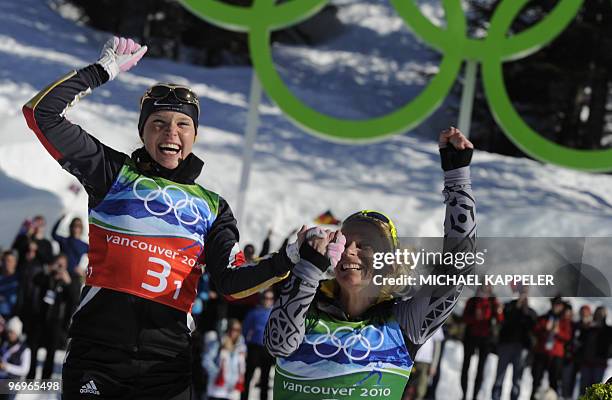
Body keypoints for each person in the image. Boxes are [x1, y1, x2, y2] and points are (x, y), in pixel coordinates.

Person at [22, 36, 317, 399]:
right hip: (97, 356)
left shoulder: (212, 206)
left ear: (194, 135)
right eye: (159, 122)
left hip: (167, 365)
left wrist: (285, 259)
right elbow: (41, 113)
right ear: (143, 130)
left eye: (182, 125)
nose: (170, 133)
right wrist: (102, 70)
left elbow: (231, 282)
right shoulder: (112, 173)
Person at [265, 127, 476, 399]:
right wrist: (307, 268)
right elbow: (278, 344)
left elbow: (459, 266)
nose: (350, 251)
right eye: (344, 242)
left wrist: (457, 178)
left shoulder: (404, 323)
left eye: (364, 245)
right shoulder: (306, 304)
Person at [26, 254, 80, 379]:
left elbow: (74, 298)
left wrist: (68, 282)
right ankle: (30, 376)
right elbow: (36, 280)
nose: (60, 267)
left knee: (51, 352)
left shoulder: (68, 280)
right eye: (58, 263)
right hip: (40, 318)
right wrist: (49, 269)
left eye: (62, 265)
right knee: (33, 348)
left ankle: (46, 379)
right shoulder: (47, 277)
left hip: (57, 321)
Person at [491, 289, 537, 400]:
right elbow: (504, 320)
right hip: (506, 345)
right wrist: (517, 306)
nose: (523, 296)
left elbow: (533, 328)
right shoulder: (509, 306)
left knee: (517, 379)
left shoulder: (530, 312)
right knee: (499, 376)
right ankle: (495, 397)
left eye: (525, 293)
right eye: (522, 293)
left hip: (521, 349)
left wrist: (526, 312)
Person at [461, 285, 504, 400]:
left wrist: (497, 307)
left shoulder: (492, 302)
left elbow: (500, 319)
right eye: (483, 287)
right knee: (466, 366)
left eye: (487, 288)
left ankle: (475, 395)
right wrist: (475, 317)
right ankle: (464, 395)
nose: (485, 290)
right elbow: (464, 318)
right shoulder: (472, 301)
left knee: (481, 369)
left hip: (485, 339)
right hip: (471, 337)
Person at [530, 297, 572, 400]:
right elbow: (535, 330)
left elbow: (568, 336)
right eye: (555, 304)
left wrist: (558, 332)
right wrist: (545, 329)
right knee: (536, 380)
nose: (557, 307)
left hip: (556, 354)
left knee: (554, 381)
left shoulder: (564, 321)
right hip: (542, 352)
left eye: (559, 305)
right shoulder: (544, 318)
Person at [241, 289, 276, 400]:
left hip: (267, 348)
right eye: (266, 298)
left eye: (270, 299)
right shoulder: (254, 312)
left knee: (265, 377)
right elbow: (245, 329)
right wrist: (245, 346)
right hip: (254, 347)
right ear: (262, 299)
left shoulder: (275, 313)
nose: (268, 301)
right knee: (249, 375)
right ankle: (244, 397)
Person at [203, 319, 246, 400]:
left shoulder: (241, 347)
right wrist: (216, 373)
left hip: (232, 391)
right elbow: (206, 360)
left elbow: (241, 367)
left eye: (238, 330)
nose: (234, 332)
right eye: (232, 329)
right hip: (217, 390)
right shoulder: (218, 343)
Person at [577, 306, 611, 395]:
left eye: (602, 314)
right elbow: (580, 341)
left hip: (600, 363)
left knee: (596, 389)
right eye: (598, 313)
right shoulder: (588, 328)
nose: (599, 316)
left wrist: (608, 354)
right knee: (584, 388)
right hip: (586, 362)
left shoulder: (608, 330)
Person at [403, 327, 444, 400]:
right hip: (412, 359)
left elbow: (437, 346)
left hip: (425, 362)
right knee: (407, 386)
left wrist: (434, 365)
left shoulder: (436, 320)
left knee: (420, 389)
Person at [0, 317, 31, 400]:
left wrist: (6, 367)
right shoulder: (5, 344)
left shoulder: (25, 350)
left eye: (12, 332)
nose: (9, 334)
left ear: (17, 333)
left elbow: (24, 370)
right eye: (8, 331)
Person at [0, 251, 19, 319]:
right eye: (4, 261)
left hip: (13, 318)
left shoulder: (20, 279)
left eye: (9, 261)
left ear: (15, 263)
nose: (7, 263)